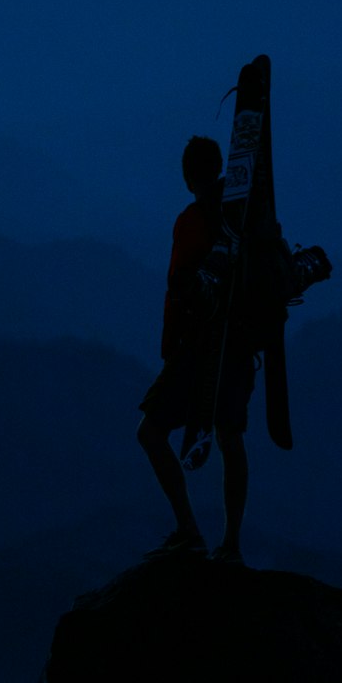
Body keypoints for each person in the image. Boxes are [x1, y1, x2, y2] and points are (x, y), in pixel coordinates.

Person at [137, 135, 256, 562]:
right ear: (220, 165)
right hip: (240, 346)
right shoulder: (245, 217)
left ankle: (189, 530)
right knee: (230, 436)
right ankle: (232, 545)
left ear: (188, 176)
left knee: (150, 433)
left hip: (198, 351)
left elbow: (180, 284)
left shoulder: (192, 221)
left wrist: (172, 347)